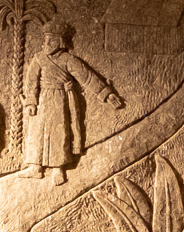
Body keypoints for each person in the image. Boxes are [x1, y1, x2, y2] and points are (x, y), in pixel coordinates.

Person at [21, 19, 124, 184]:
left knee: (58, 132)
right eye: (45, 39)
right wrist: (31, 102)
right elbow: (31, 82)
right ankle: (35, 167)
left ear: (60, 41)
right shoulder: (38, 58)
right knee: (36, 132)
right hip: (42, 100)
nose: (46, 43)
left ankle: (57, 168)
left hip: (60, 99)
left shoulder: (68, 59)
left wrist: (106, 93)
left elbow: (87, 77)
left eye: (51, 39)